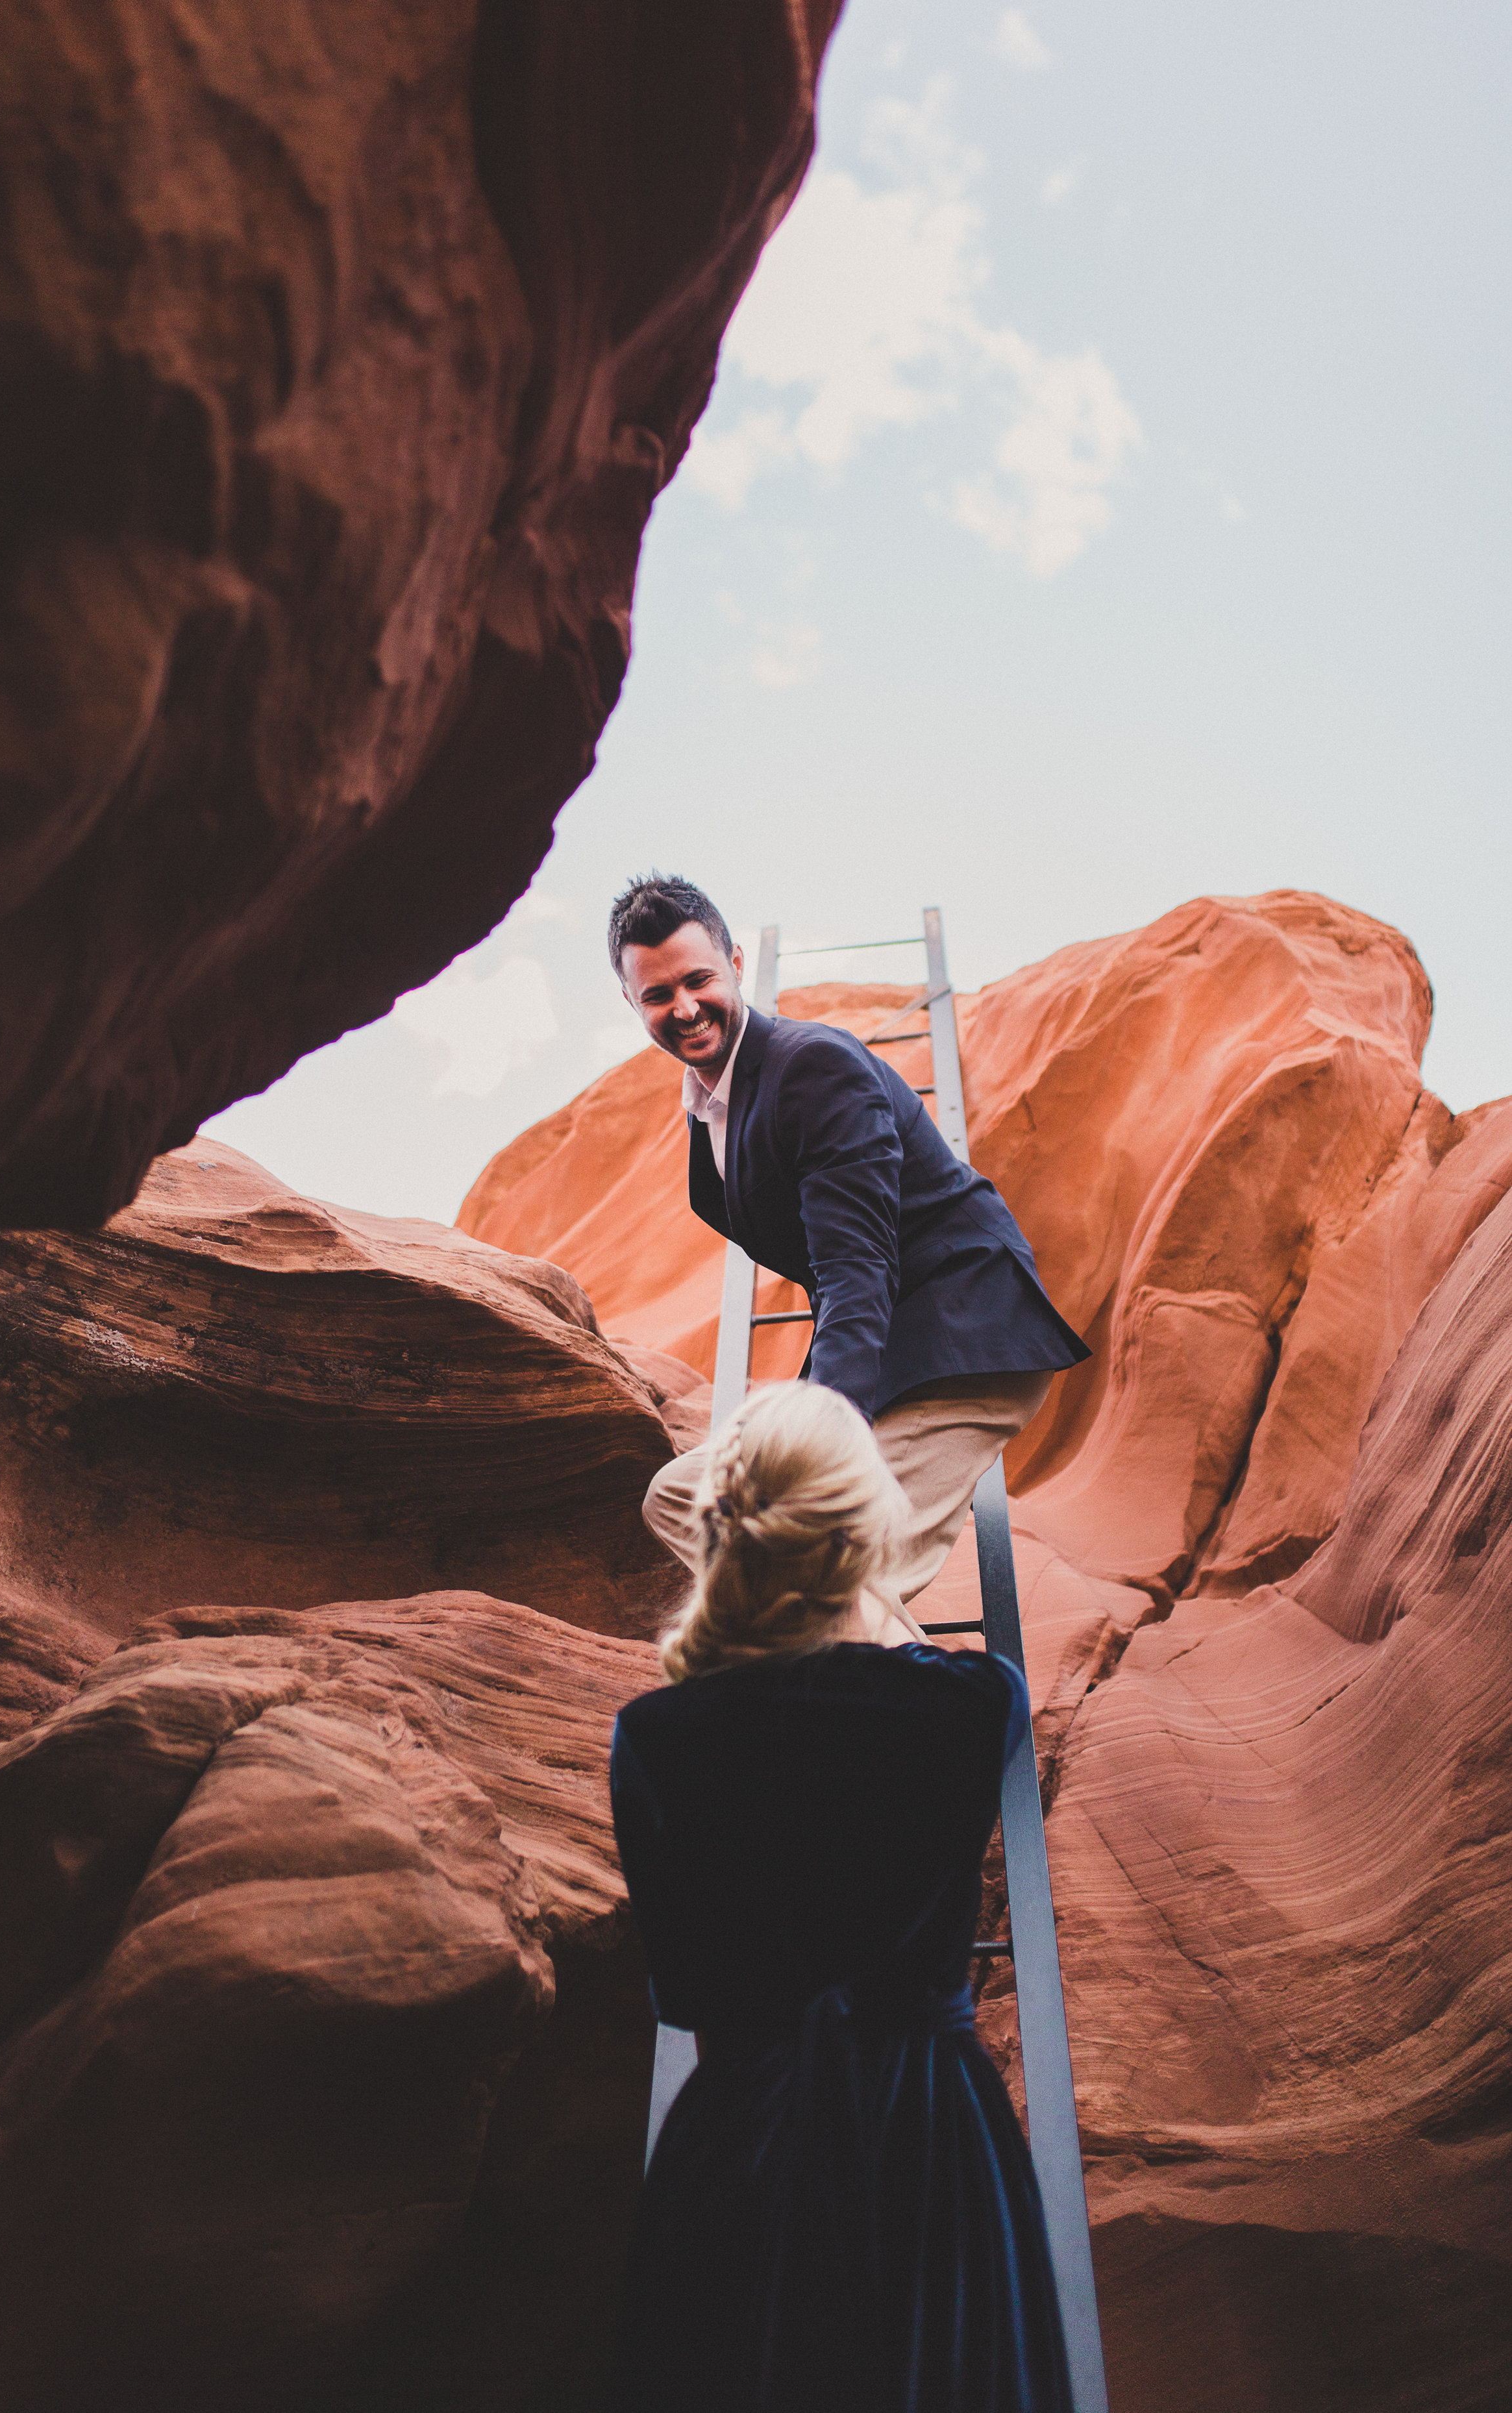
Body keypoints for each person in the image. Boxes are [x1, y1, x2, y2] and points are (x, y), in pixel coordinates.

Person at [606, 1381, 1075, 2413]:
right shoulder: (967, 1706)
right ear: (863, 1542)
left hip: (741, 2150)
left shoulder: (655, 1738)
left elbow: (683, 1992)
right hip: (931, 2151)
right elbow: (903, 1665)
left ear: (723, 1536)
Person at [608, 872, 1089, 1622]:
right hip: (894, 1348)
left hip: (955, 1339)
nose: (684, 1006)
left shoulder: (811, 1068)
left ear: (734, 961)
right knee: (682, 1497)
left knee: (826, 1572)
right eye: (657, 995)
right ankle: (877, 1699)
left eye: (698, 979)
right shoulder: (713, 1121)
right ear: (635, 1005)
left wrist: (823, 1437)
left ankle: (918, 1724)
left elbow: (855, 1265)